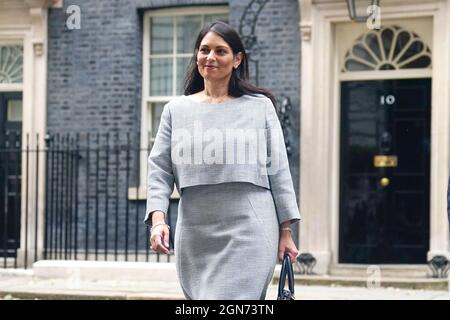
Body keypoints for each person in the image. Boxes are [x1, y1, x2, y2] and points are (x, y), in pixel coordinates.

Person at [144, 21, 301, 300]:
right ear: (196, 56)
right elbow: (159, 169)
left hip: (250, 228)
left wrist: (286, 230)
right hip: (195, 231)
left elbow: (278, 170)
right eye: (204, 50)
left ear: (237, 59)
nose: (210, 57)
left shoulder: (260, 107)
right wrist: (158, 220)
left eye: (221, 51)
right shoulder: (175, 111)